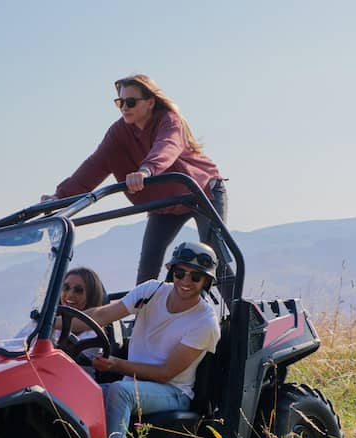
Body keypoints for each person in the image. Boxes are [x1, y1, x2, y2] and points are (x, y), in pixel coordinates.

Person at [42, 74, 232, 293]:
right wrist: (60, 197)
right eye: (120, 102)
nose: (124, 107)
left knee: (212, 255)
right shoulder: (118, 133)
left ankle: (243, 321)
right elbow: (94, 166)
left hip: (201, 192)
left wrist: (146, 170)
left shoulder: (169, 120)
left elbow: (166, 147)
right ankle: (143, 324)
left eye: (131, 102)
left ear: (150, 102)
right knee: (148, 268)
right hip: (165, 204)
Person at [83, 242, 221, 438]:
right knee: (85, 392)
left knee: (118, 392)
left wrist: (116, 364)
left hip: (174, 392)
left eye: (195, 277)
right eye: (180, 273)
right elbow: (101, 315)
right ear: (172, 272)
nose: (185, 281)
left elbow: (165, 374)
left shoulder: (204, 322)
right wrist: (54, 324)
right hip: (134, 385)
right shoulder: (151, 291)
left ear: (206, 281)